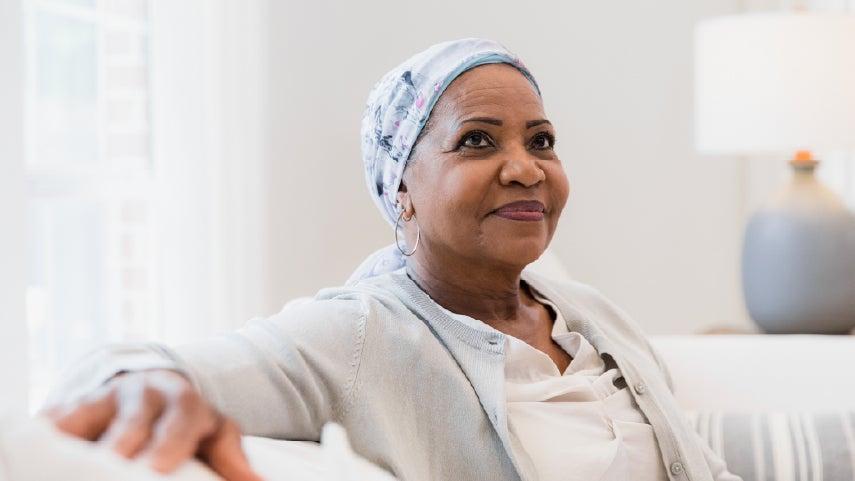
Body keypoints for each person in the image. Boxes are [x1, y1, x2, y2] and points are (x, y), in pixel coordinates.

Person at [44, 38, 742, 481]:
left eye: (541, 141)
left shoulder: (591, 313)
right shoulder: (360, 332)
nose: (526, 168)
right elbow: (129, 367)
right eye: (477, 141)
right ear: (400, 188)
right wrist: (136, 381)